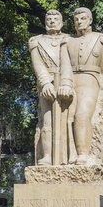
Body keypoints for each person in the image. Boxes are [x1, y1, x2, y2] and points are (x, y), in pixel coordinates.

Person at [58, 7, 103, 165]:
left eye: (83, 18)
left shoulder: (100, 40)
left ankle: (83, 154)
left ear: (90, 20)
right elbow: (64, 65)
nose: (79, 21)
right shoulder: (67, 41)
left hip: (91, 80)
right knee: (65, 118)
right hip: (71, 80)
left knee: (82, 114)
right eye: (76, 19)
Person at [29, 10, 68, 165]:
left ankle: (67, 157)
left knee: (69, 120)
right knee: (47, 120)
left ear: (62, 22)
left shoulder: (69, 39)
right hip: (47, 84)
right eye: (49, 19)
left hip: (67, 82)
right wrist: (45, 83)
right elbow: (38, 64)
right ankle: (47, 156)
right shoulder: (36, 41)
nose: (52, 21)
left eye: (55, 18)